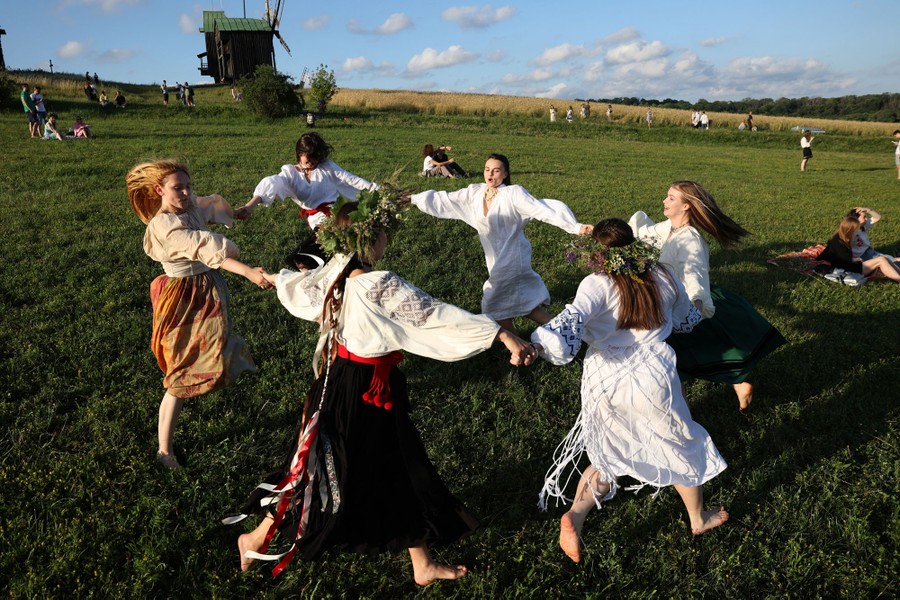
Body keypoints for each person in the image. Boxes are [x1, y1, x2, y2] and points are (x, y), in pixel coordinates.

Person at [228, 194, 536, 583]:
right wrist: (500, 335)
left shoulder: (334, 274)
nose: (386, 241)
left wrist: (275, 278)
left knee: (382, 465)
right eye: (383, 235)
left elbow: (298, 288)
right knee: (325, 468)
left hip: (342, 381)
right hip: (362, 390)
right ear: (368, 241)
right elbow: (436, 316)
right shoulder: (378, 285)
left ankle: (420, 562)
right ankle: (255, 535)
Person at [532, 218, 728, 563]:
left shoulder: (595, 284)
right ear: (633, 244)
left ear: (598, 252)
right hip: (654, 376)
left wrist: (539, 345)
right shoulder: (663, 275)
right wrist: (698, 307)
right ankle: (697, 519)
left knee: (607, 453)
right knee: (681, 445)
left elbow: (563, 329)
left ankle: (575, 516)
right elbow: (685, 321)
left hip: (604, 378)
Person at [126, 160, 271, 469]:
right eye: (178, 188)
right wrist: (247, 271)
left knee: (212, 350)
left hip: (206, 290)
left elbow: (208, 207)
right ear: (159, 190)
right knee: (178, 373)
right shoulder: (164, 226)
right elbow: (205, 247)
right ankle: (164, 451)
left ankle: (210, 370)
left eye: (188, 185)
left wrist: (236, 213)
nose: (187, 192)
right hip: (181, 298)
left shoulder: (189, 204)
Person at [629, 181, 785, 410]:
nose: (664, 201)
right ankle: (738, 385)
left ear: (686, 206)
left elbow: (695, 278)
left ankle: (681, 421)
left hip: (685, 306)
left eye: (671, 198)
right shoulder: (670, 227)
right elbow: (643, 233)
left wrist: (692, 311)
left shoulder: (690, 241)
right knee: (687, 359)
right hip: (671, 303)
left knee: (674, 366)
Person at [410, 153, 594, 331]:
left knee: (493, 304)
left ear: (505, 174)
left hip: (513, 257)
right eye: (487, 169)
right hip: (494, 259)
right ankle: (566, 330)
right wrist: (412, 199)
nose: (490, 174)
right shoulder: (475, 193)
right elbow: (444, 199)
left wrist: (575, 227)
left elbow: (542, 209)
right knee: (524, 306)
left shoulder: (513, 194)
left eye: (496, 170)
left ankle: (518, 346)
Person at [238, 132, 379, 231]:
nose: (312, 163)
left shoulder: (326, 166)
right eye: (308, 159)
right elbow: (272, 182)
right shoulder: (291, 174)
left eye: (315, 158)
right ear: (299, 154)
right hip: (317, 220)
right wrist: (250, 206)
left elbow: (350, 179)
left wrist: (376, 189)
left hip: (339, 212)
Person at [817, 216, 900, 283]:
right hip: (850, 269)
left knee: (883, 259)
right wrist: (856, 259)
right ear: (849, 230)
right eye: (856, 229)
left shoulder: (845, 237)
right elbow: (845, 259)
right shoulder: (837, 241)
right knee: (881, 260)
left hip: (852, 265)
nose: (858, 231)